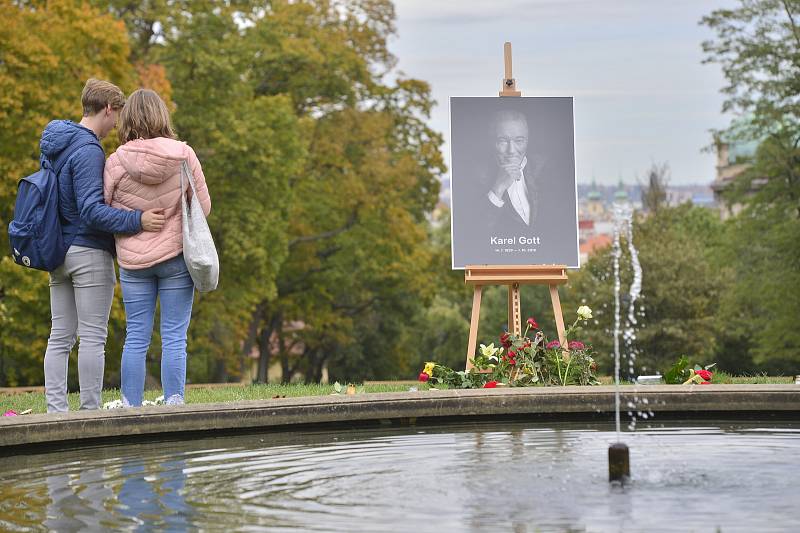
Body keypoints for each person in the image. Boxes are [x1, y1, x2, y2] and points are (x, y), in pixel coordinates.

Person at [42, 79, 166, 413]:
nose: (116, 126)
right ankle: (90, 411)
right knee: (92, 337)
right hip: (88, 253)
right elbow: (92, 210)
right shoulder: (88, 149)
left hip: (57, 252)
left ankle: (55, 412)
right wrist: (137, 221)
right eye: (116, 117)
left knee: (60, 336)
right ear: (108, 109)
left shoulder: (56, 144)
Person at [104, 88, 211, 407]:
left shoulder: (115, 161)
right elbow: (203, 207)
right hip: (177, 258)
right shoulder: (184, 155)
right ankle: (175, 402)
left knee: (136, 335)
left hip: (134, 262)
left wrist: (134, 219)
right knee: (175, 335)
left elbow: (103, 212)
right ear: (161, 115)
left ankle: (130, 405)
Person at [483, 109, 543, 233]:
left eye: (519, 141)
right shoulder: (477, 177)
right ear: (492, 142)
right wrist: (498, 188)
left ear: (527, 141)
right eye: (503, 141)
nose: (511, 150)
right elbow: (475, 232)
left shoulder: (545, 170)